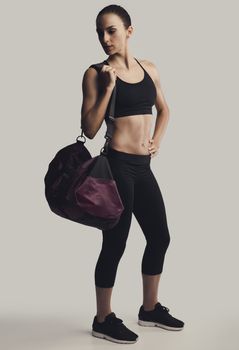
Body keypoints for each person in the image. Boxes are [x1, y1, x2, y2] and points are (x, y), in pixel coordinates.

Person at [81, 4, 184, 344]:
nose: (104, 38)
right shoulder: (96, 73)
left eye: (111, 30)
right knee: (116, 242)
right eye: (100, 32)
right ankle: (102, 317)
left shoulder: (149, 68)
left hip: (143, 167)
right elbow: (90, 128)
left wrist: (157, 140)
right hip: (117, 166)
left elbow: (165, 109)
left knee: (160, 236)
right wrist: (109, 88)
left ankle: (149, 308)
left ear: (129, 30)